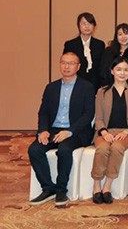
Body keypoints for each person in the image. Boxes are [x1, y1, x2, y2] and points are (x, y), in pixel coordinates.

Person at [28, 52, 95, 206]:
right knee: (34, 150)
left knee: (64, 149)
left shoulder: (87, 87)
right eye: (64, 62)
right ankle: (48, 188)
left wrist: (69, 131)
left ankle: (61, 190)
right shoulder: (51, 87)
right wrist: (43, 130)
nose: (66, 66)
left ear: (78, 66)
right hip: (53, 130)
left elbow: (88, 115)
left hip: (76, 131)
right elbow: (43, 112)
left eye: (71, 63)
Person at [91, 56, 128, 204]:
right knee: (102, 148)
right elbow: (99, 117)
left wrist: (127, 131)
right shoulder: (102, 92)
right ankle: (96, 185)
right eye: (118, 69)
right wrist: (104, 132)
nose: (122, 73)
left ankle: (107, 186)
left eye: (126, 70)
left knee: (117, 147)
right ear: (112, 71)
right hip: (105, 131)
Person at [63, 12, 105, 90]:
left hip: (95, 84)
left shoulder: (100, 44)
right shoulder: (70, 44)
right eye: (84, 23)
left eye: (90, 23)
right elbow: (66, 65)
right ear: (79, 26)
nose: (87, 26)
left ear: (94, 26)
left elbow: (102, 66)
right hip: (75, 84)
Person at [99, 23, 128, 88]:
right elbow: (103, 71)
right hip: (111, 86)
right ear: (116, 37)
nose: (123, 37)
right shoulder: (109, 51)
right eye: (120, 34)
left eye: (126, 33)